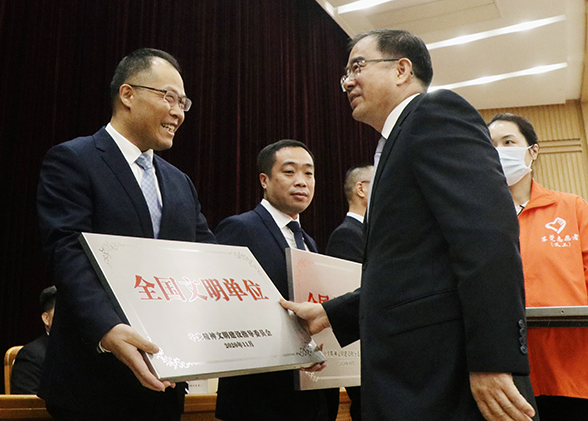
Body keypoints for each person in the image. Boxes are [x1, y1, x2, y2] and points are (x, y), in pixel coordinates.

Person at [280, 29, 538, 421]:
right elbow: (412, 267)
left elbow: (487, 238)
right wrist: (330, 314)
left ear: (402, 70)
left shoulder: (435, 114)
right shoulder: (397, 140)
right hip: (416, 377)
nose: (347, 81)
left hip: (447, 377)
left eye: (357, 67)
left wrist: (493, 360)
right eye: (346, 73)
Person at [36, 48, 216, 421]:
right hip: (90, 386)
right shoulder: (74, 160)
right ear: (128, 94)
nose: (178, 112)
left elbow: (209, 260)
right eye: (169, 97)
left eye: (183, 102)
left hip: (164, 385)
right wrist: (107, 328)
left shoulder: (180, 182)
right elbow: (68, 251)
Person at [488, 112, 588, 421]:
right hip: (507, 376)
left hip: (575, 372)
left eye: (508, 142)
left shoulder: (570, 208)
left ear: (533, 150)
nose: (498, 151)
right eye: (491, 145)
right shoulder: (476, 219)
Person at [214, 139, 337, 421]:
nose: (302, 181)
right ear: (264, 180)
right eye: (289, 171)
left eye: (309, 173)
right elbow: (224, 307)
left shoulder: (308, 242)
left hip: (307, 398)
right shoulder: (240, 228)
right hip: (256, 398)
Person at [324, 163, 373, 421]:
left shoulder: (371, 233)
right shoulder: (347, 235)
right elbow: (350, 299)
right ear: (361, 189)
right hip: (363, 363)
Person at [11, 286, 57, 394]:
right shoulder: (31, 356)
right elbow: (26, 403)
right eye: (64, 313)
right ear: (46, 318)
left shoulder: (88, 351)